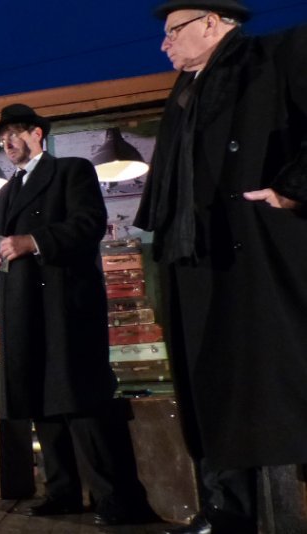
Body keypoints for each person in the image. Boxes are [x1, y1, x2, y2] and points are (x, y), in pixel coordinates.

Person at [134, 2, 307, 532]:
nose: (164, 44)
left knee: (276, 379)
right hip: (194, 253)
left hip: (255, 248)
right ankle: (225, 509)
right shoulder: (185, 90)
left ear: (212, 22)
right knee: (208, 379)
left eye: (173, 32)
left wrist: (291, 190)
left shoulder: (275, 55)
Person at [0, 104, 152, 525]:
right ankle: (62, 491)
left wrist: (34, 241)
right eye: (2, 138)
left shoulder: (71, 170)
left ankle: (117, 498)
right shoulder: (5, 192)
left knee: (81, 400)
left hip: (64, 305)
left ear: (37, 133)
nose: (7, 143)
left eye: (14, 133)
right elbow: (0, 241)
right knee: (40, 399)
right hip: (21, 306)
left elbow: (90, 223)